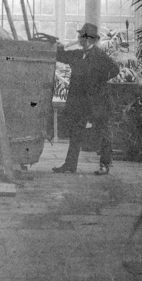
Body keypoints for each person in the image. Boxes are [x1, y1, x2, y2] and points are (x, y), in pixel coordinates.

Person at [52, 22, 120, 175]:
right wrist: (58, 46)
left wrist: (97, 81)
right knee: (76, 132)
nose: (79, 39)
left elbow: (115, 70)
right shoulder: (77, 55)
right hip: (80, 102)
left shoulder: (100, 56)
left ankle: (104, 165)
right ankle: (70, 165)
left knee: (103, 133)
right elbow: (61, 55)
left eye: (81, 37)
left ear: (88, 39)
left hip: (98, 101)